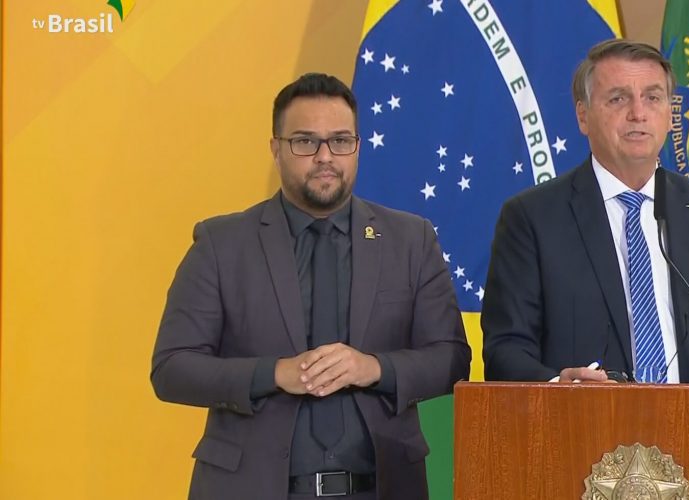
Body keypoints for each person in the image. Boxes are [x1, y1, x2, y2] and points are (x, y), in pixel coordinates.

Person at [151, 73, 471, 500]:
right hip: (249, 488)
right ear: (276, 149)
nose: (324, 156)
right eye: (305, 141)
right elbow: (172, 368)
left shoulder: (412, 240)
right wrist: (274, 374)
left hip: (384, 487)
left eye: (340, 141)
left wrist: (372, 368)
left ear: (358, 147)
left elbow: (452, 359)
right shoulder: (221, 244)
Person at [482, 39, 689, 384]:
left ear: (669, 115)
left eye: (653, 97)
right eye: (618, 99)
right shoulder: (532, 218)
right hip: (581, 416)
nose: (638, 113)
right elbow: (505, 351)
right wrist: (559, 389)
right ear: (583, 116)